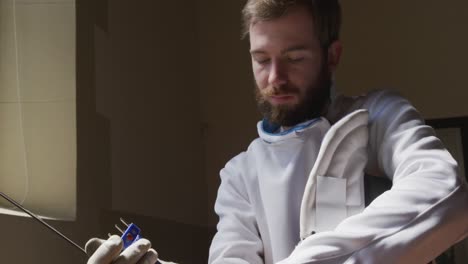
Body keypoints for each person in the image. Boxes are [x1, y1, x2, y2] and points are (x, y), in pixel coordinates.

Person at [86, 0, 468, 263]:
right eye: (261, 59)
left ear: (331, 56)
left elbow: (445, 194)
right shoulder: (239, 174)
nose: (275, 78)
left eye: (294, 58)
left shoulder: (379, 116)